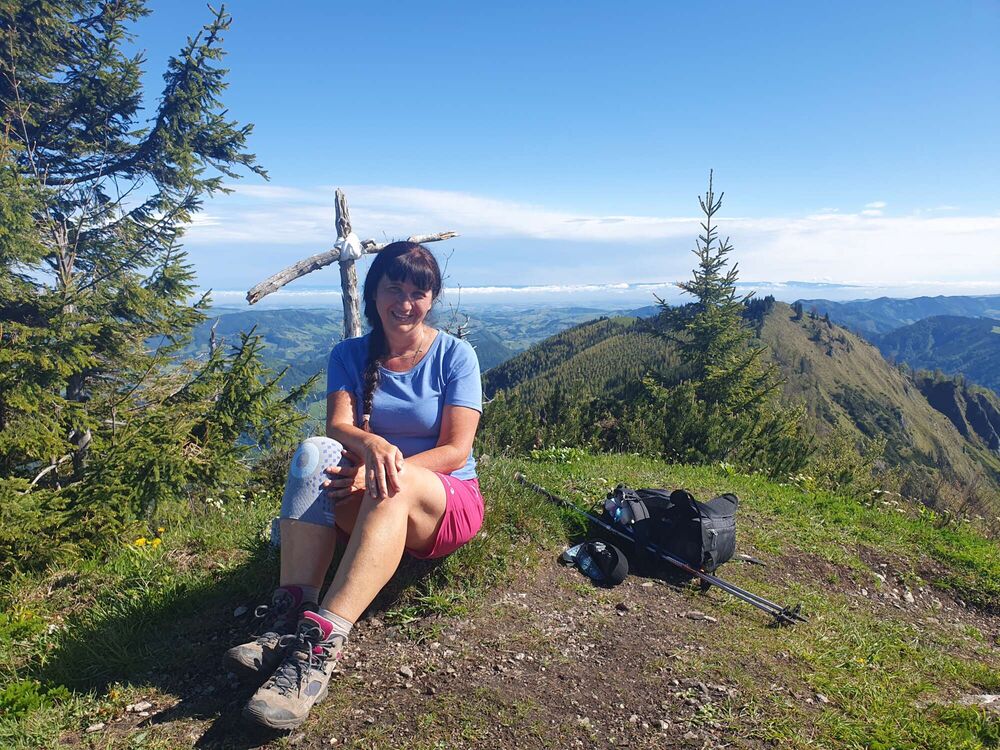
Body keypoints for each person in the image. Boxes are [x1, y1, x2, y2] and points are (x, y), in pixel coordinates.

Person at [225, 242, 484, 730]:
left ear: (432, 298)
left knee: (393, 483)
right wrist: (373, 448)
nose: (405, 303)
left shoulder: (455, 355)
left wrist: (384, 468)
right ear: (373, 293)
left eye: (418, 292)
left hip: (443, 502)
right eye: (394, 289)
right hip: (374, 491)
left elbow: (455, 451)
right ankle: (290, 615)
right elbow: (338, 426)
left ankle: (320, 648)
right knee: (312, 452)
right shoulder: (348, 354)